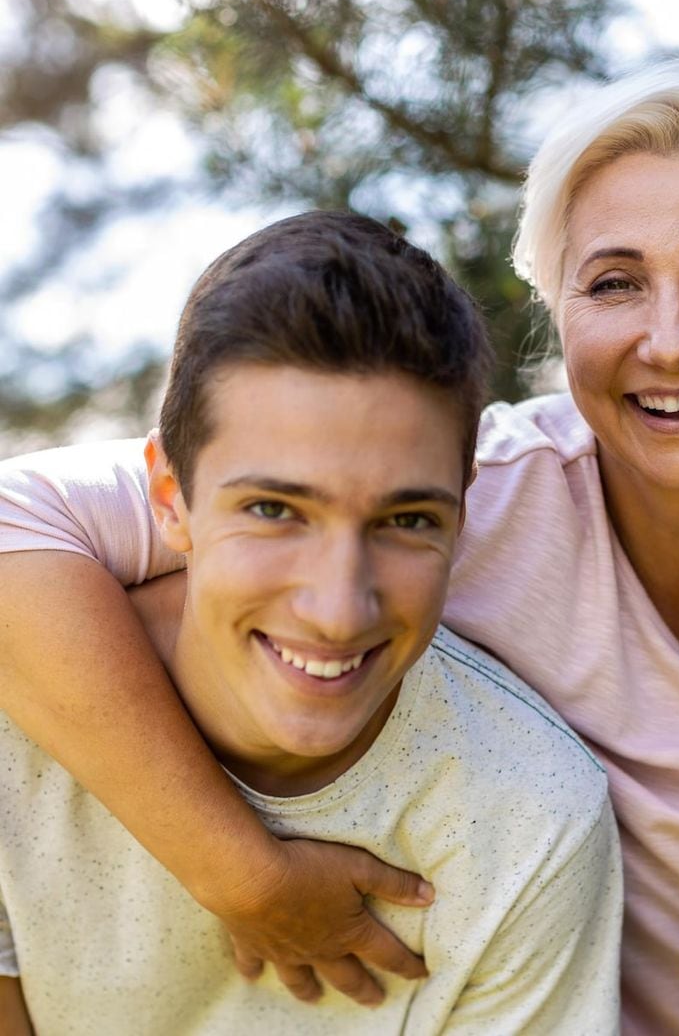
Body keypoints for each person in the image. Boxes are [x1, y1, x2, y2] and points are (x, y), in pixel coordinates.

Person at [1, 58, 679, 1035]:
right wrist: (239, 870)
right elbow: (16, 526)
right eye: (614, 283)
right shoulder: (444, 503)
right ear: (556, 314)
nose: (668, 340)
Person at [0, 211, 622, 1033]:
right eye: (274, 509)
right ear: (168, 499)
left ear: (464, 509)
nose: (337, 609)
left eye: (406, 520)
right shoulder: (19, 718)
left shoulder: (533, 818)